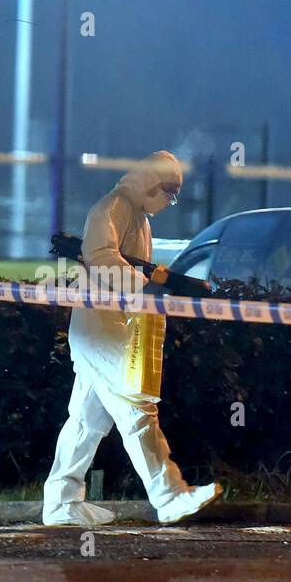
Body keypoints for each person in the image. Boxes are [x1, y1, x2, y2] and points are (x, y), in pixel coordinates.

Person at [43, 150, 222, 527]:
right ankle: (169, 496)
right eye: (168, 191)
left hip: (104, 329)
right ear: (150, 182)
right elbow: (99, 255)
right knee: (137, 409)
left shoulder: (135, 214)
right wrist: (144, 287)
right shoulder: (115, 206)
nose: (169, 201)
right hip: (101, 331)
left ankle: (60, 502)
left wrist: (147, 287)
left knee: (85, 423)